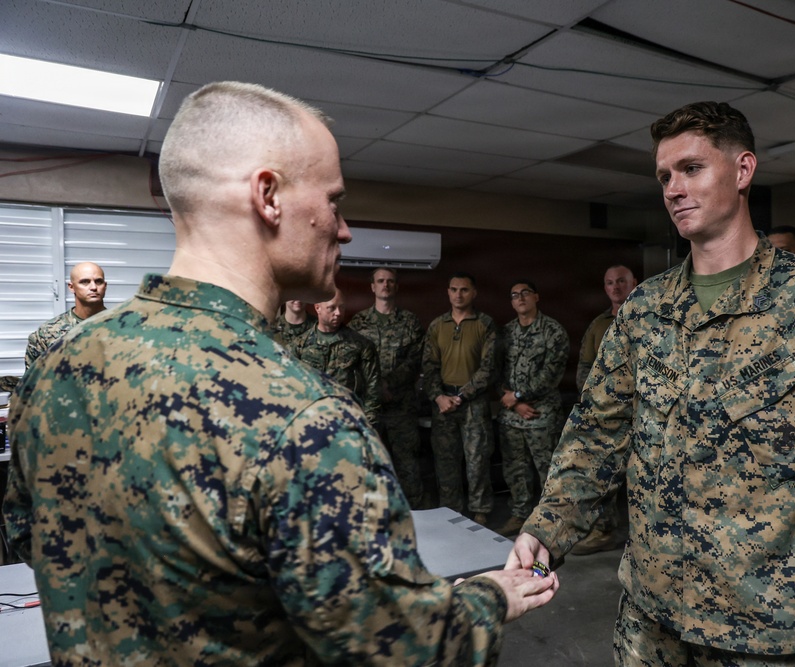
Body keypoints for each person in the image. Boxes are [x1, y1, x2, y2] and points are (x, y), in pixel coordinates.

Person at [3, 81, 556, 666]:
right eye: (334, 201)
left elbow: (31, 541)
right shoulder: (302, 415)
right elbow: (401, 651)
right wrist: (489, 596)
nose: (343, 230)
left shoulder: (58, 366)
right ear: (268, 196)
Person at [506, 100, 795, 665]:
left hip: (764, 623)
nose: (674, 188)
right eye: (664, 176)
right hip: (653, 612)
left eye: (692, 168)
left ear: (743, 170)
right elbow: (597, 434)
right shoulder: (645, 308)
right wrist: (547, 530)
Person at [495, 280, 570, 537]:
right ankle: (520, 514)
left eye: (525, 293)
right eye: (514, 294)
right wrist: (515, 403)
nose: (520, 298)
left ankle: (551, 522)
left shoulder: (552, 331)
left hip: (541, 415)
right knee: (515, 469)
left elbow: (552, 374)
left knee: (548, 470)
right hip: (512, 416)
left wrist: (518, 396)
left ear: (536, 297)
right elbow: (496, 371)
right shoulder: (505, 333)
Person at [422, 272, 498, 525]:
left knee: (477, 461)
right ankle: (451, 512)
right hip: (443, 402)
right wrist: (438, 397)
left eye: (464, 290)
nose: (458, 294)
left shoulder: (485, 324)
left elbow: (488, 368)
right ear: (448, 292)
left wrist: (461, 396)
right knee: (445, 462)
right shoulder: (437, 326)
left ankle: (480, 512)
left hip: (473, 403)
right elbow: (428, 366)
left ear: (473, 293)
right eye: (454, 289)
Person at [572, 264, 637, 555]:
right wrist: (592, 400)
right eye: (610, 282)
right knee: (601, 473)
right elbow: (585, 365)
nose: (616, 287)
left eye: (621, 281)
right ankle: (603, 530)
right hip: (606, 413)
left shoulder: (649, 318)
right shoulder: (598, 324)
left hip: (643, 412)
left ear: (634, 282)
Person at [350, 267, 426, 507]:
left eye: (391, 281)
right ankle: (373, 514)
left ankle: (416, 515)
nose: (386, 285)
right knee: (369, 463)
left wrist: (388, 384)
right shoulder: (358, 322)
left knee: (408, 466)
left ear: (397, 287)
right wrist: (374, 387)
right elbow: (352, 360)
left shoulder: (410, 321)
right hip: (369, 408)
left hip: (401, 406)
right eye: (380, 281)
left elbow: (415, 360)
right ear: (372, 286)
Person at [293, 289, 382, 426]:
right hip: (310, 421)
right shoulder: (299, 345)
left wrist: (366, 425)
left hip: (348, 421)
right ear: (318, 308)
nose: (338, 313)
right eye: (332, 308)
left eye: (342, 307)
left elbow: (373, 390)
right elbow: (293, 387)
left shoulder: (361, 345)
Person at [24, 261, 107, 369]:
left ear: (105, 286)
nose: (93, 287)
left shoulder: (124, 326)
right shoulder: (48, 333)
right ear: (71, 287)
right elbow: (33, 382)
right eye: (85, 282)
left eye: (98, 281)